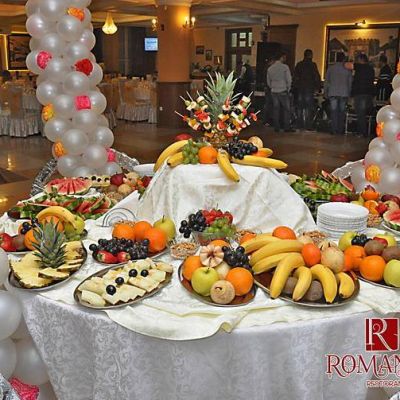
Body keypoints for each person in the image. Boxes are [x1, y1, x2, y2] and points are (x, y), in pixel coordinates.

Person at [324, 52, 352, 135]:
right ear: (344, 59)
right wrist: (349, 93)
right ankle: (340, 129)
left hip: (333, 92)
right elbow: (350, 82)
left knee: (333, 111)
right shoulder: (347, 69)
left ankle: (334, 129)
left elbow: (327, 81)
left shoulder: (331, 68)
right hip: (344, 92)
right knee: (342, 112)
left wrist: (326, 91)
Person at [293, 49, 321, 130]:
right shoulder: (313, 65)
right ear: (310, 55)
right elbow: (316, 76)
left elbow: (295, 76)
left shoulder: (299, 64)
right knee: (309, 107)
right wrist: (318, 87)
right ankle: (308, 125)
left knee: (300, 107)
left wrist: (295, 86)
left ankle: (299, 124)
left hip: (300, 88)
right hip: (309, 87)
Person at [266, 52, 294, 132]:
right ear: (281, 57)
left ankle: (276, 126)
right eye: (284, 57)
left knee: (276, 109)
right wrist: (288, 88)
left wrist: (272, 87)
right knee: (286, 109)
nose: (285, 59)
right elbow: (289, 79)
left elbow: (268, 81)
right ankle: (286, 126)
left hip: (274, 90)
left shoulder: (270, 68)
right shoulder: (285, 67)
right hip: (283, 90)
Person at [352, 53, 375, 137]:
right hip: (369, 93)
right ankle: (363, 131)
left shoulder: (359, 67)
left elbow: (348, 65)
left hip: (360, 93)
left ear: (361, 60)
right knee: (363, 113)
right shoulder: (371, 69)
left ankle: (362, 132)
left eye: (357, 59)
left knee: (360, 113)